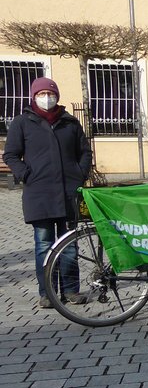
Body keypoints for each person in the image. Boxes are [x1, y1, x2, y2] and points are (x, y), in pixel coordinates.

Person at [2, 77, 91, 309]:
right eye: (41, 94)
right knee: (44, 244)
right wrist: (25, 174)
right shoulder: (22, 122)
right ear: (33, 97)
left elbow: (84, 151)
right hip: (39, 194)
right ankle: (48, 292)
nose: (46, 97)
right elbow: (10, 154)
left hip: (68, 192)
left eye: (50, 93)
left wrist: (80, 173)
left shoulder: (70, 122)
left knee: (70, 244)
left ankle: (71, 290)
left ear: (57, 96)